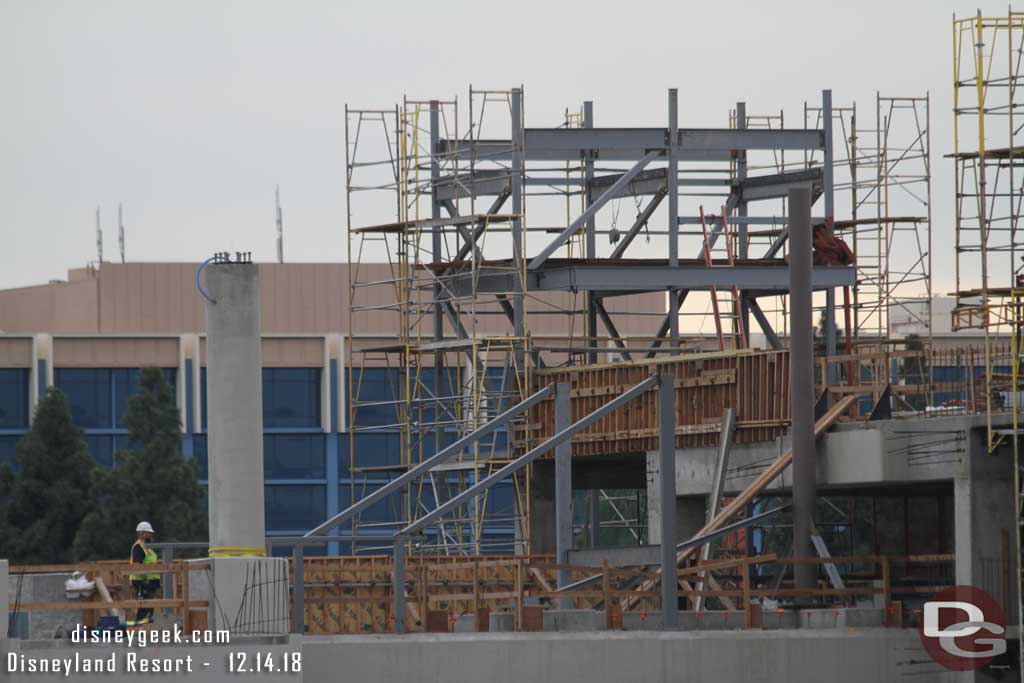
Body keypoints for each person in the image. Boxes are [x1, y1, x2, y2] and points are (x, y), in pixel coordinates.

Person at [129, 521, 160, 623]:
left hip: (150, 582)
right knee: (144, 607)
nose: (150, 535)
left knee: (149, 607)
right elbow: (137, 565)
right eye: (148, 532)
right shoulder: (139, 547)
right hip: (143, 581)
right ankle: (138, 628)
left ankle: (145, 628)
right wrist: (144, 578)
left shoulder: (147, 547)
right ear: (141, 533)